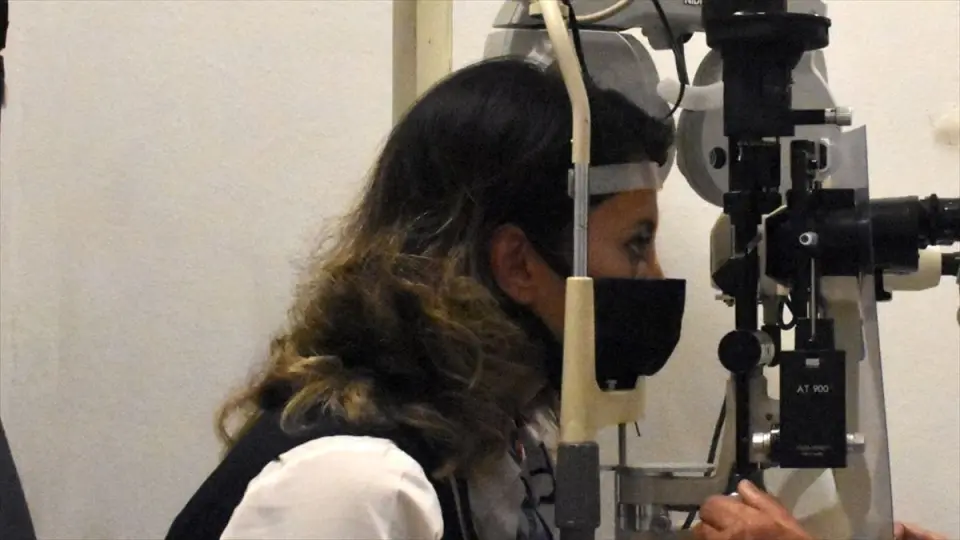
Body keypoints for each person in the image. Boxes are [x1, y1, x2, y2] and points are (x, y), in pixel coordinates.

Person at [166, 56, 945, 540]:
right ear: (517, 263)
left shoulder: (498, 446)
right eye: (635, 243)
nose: (653, 277)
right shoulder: (353, 485)